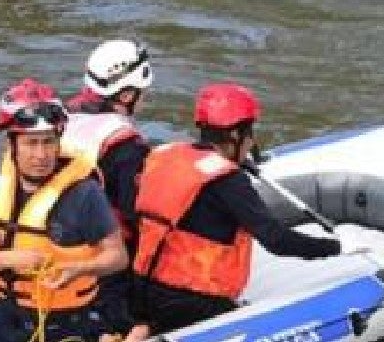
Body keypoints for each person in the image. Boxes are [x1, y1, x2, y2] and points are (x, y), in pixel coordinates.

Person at [127, 82, 345, 340]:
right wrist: (334, 248)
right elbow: (277, 240)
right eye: (249, 132)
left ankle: (144, 328)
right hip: (193, 301)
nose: (252, 140)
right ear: (234, 135)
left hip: (141, 288)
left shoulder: (166, 155)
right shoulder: (228, 181)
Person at [0, 79, 129, 342]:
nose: (41, 154)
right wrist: (12, 259)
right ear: (12, 144)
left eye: (48, 142)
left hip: (65, 321)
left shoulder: (85, 194)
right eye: (31, 143)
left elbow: (117, 257)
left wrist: (79, 269)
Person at [61, 40, 154, 340]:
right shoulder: (126, 146)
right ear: (127, 94)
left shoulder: (59, 118)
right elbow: (136, 215)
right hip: (100, 263)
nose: (145, 99)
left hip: (44, 241)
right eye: (143, 93)